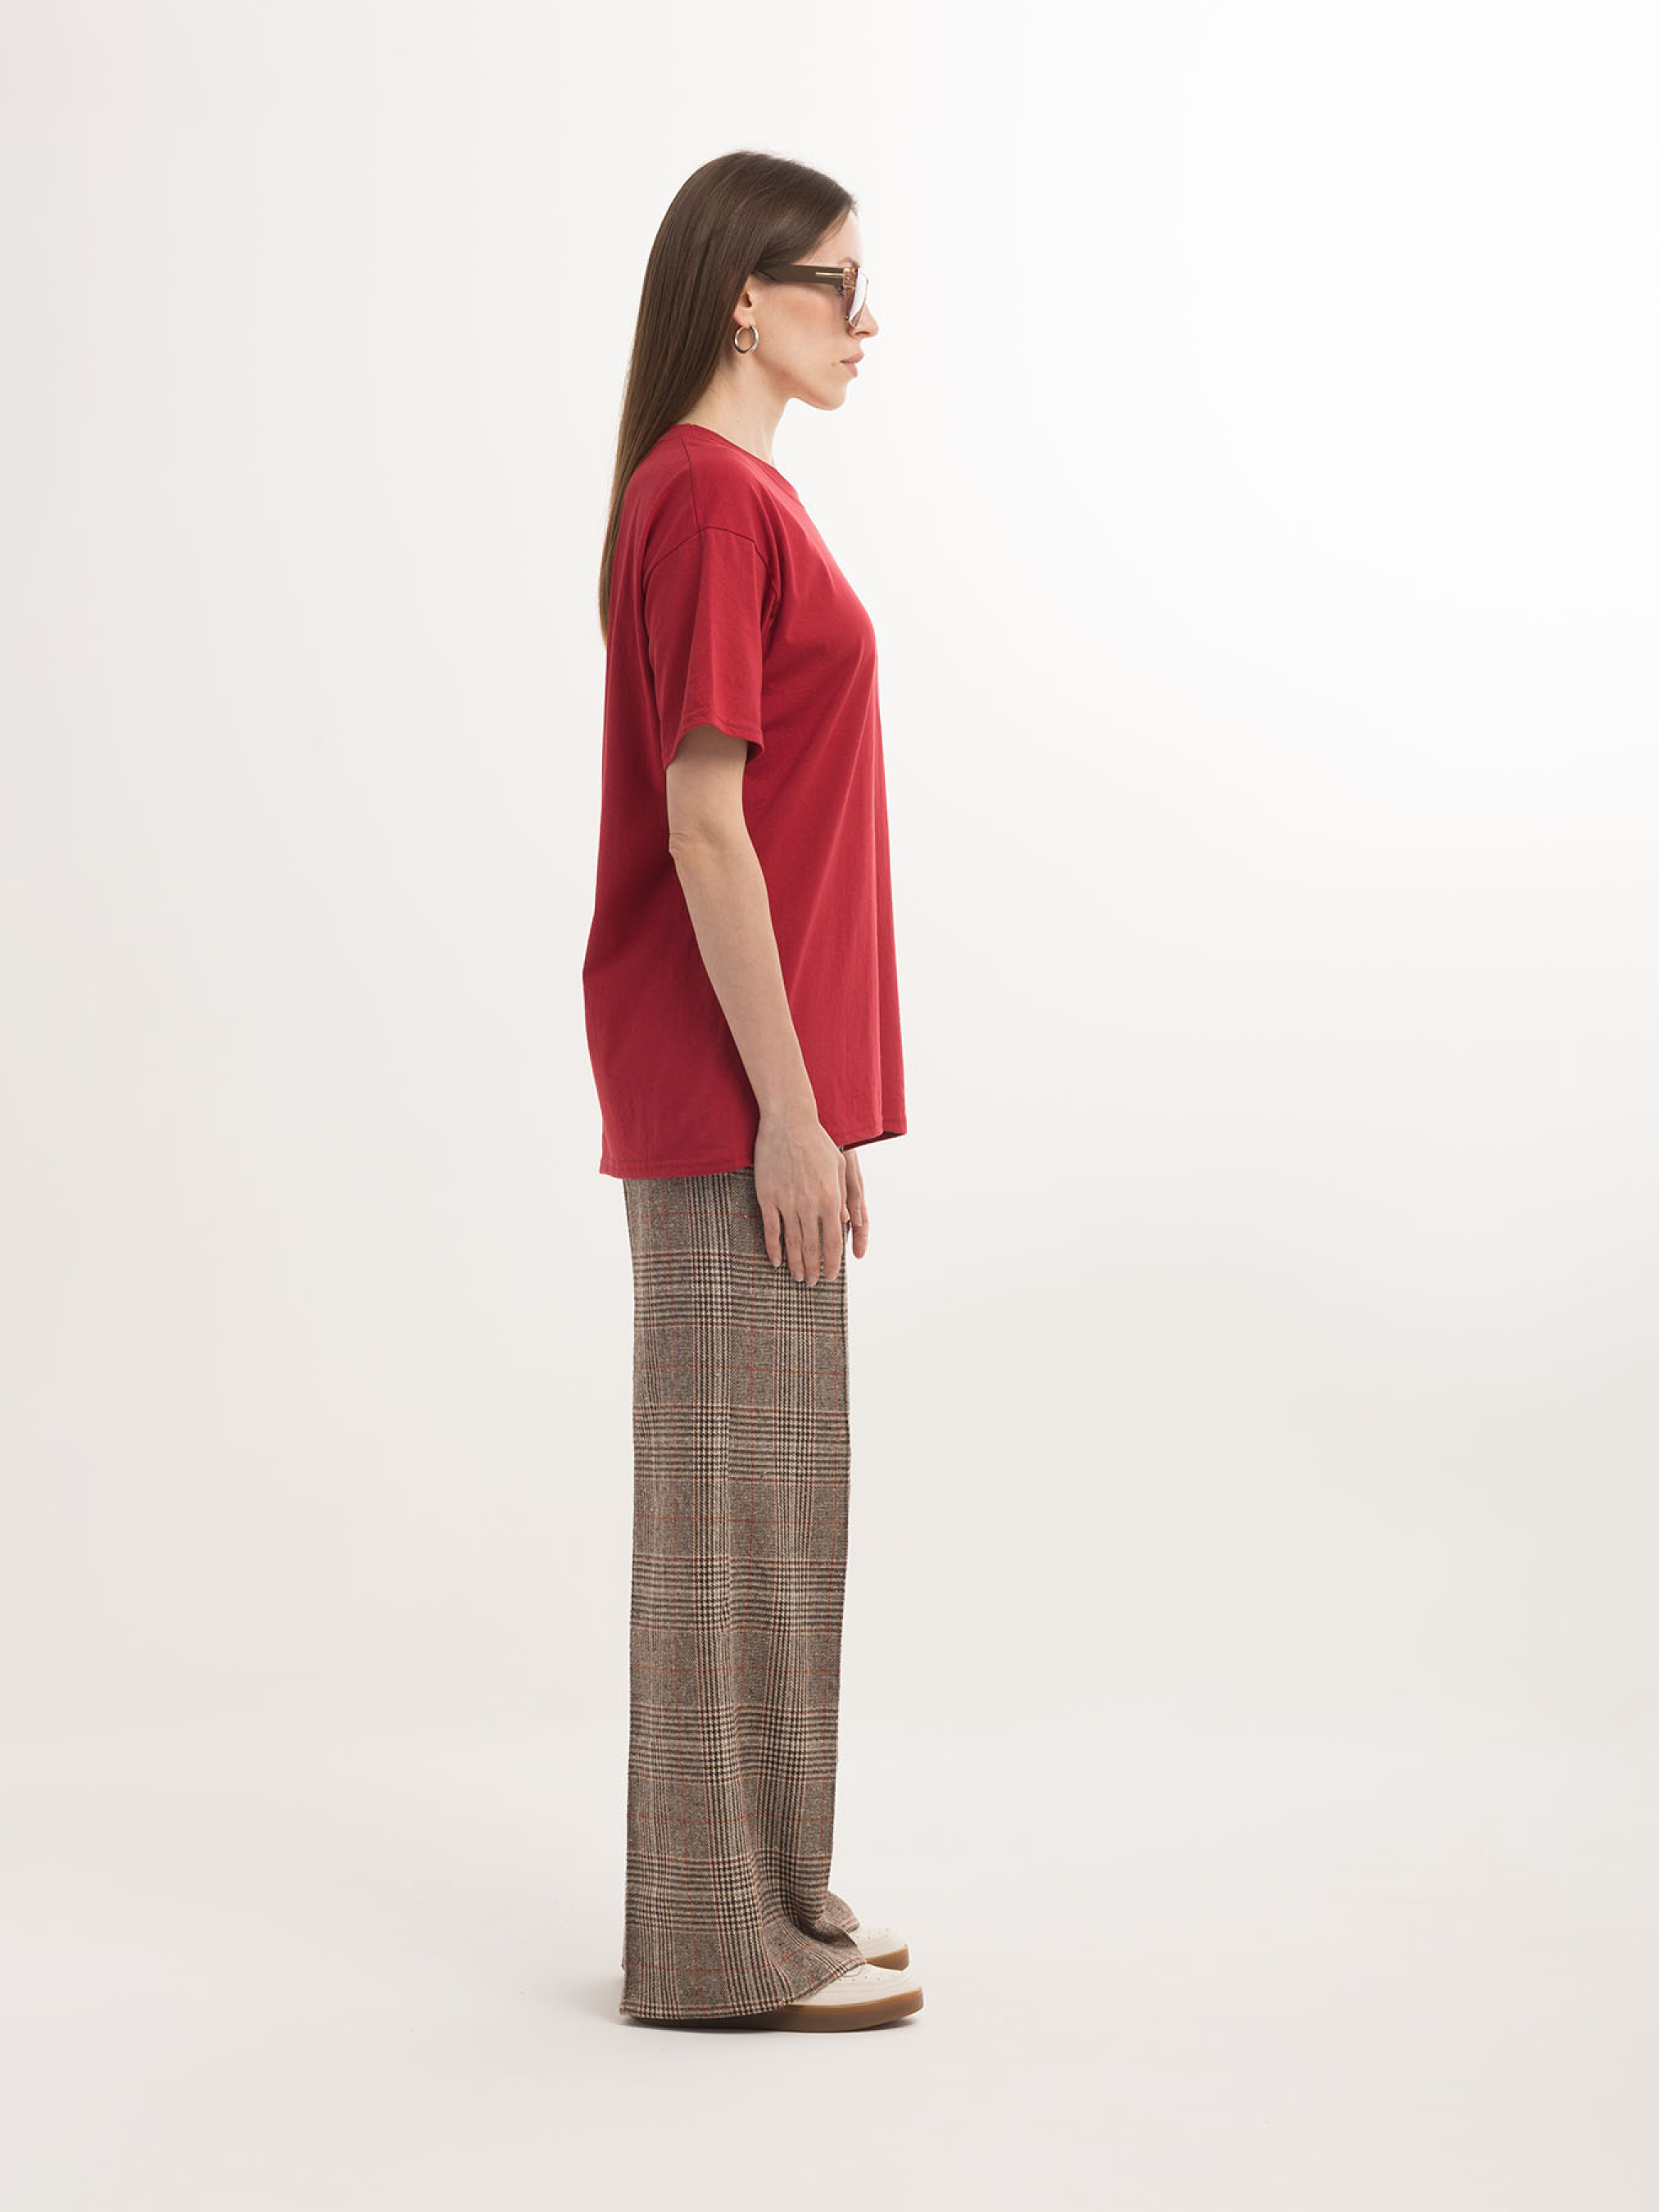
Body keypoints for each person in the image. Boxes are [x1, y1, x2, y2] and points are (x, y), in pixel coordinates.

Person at [582, 151, 922, 2032]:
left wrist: (814, 1101)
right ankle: (712, 1947)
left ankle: (779, 1900)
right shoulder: (710, 504)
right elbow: (703, 824)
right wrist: (788, 1111)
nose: (863, 325)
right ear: (743, 295)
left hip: (765, 1083)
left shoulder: (726, 495)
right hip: (730, 1090)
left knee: (779, 1508)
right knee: (726, 1524)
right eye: (835, 286)